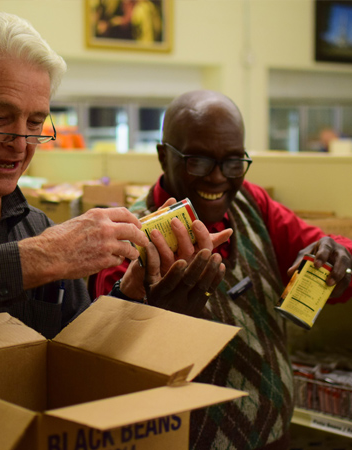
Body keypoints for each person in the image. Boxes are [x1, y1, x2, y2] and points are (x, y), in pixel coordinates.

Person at [0, 8, 229, 339]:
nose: (21, 143)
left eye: (35, 123)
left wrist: (133, 294)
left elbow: (76, 351)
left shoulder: (39, 227)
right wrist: (38, 259)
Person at [91, 90, 352, 450]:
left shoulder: (252, 203)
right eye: (198, 161)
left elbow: (326, 256)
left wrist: (339, 254)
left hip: (276, 438)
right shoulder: (129, 238)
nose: (217, 178)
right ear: (163, 157)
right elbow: (105, 352)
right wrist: (150, 313)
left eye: (232, 162)